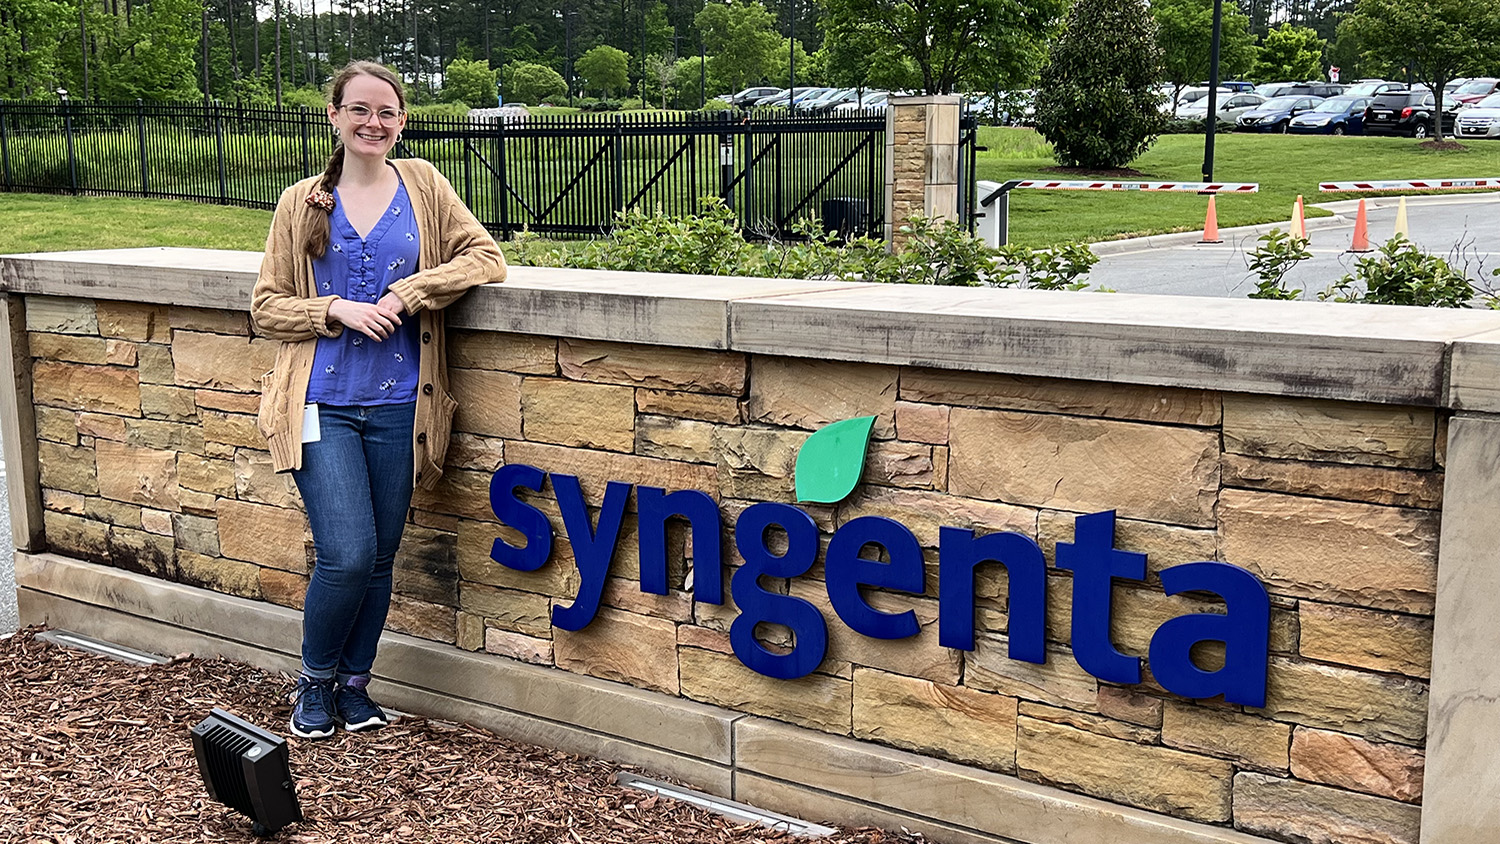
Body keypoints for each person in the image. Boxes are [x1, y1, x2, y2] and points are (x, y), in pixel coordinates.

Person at [251, 61, 506, 739]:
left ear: (402, 120)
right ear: (333, 115)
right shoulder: (301, 199)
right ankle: (314, 684)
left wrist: (407, 294)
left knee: (383, 555)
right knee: (348, 553)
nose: (374, 123)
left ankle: (355, 688)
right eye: (359, 110)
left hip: (402, 406)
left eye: (387, 112)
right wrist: (333, 307)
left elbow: (485, 258)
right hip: (321, 403)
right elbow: (266, 307)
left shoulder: (422, 184)